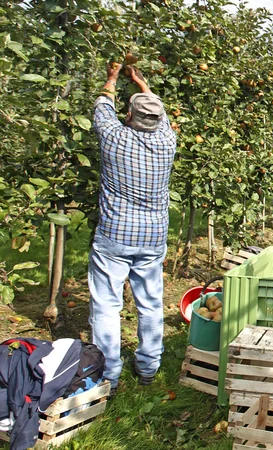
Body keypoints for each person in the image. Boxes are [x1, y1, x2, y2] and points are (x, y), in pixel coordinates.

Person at [89, 61, 176, 396]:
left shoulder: (114, 137)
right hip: (152, 238)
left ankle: (108, 375)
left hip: (114, 236)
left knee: (107, 304)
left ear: (129, 115)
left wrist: (113, 77)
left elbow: (102, 106)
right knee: (150, 303)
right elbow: (161, 115)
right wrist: (143, 84)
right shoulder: (167, 143)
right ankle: (149, 368)